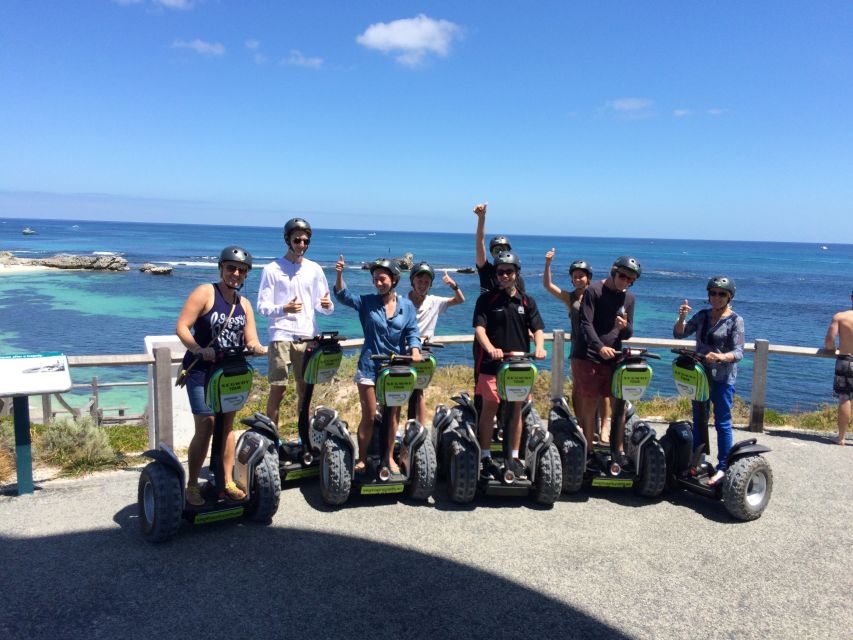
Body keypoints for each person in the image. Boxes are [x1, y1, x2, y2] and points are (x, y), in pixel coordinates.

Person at [176, 246, 266, 506]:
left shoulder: (244, 304)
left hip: (228, 373)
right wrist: (197, 349)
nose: (235, 273)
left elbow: (251, 339)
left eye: (241, 270)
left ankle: (226, 480)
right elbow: (182, 326)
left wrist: (259, 349)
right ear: (221, 268)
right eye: (231, 268)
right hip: (201, 370)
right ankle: (192, 485)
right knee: (206, 424)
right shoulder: (205, 293)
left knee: (227, 426)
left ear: (246, 274)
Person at [334, 255, 422, 474]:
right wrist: (339, 274)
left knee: (393, 413)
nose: (378, 283)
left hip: (394, 368)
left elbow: (412, 332)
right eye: (375, 279)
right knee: (370, 415)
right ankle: (362, 458)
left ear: (393, 279)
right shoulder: (367, 302)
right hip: (369, 366)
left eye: (382, 278)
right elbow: (343, 296)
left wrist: (415, 350)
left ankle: (389, 457)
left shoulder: (407, 306)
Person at [473, 251, 546, 480]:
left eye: (508, 272)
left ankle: (513, 457)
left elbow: (537, 328)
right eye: (500, 272)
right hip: (492, 365)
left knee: (516, 409)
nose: (504, 276)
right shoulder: (486, 299)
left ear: (516, 274)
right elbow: (479, 329)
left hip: (518, 365)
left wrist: (541, 346)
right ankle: (485, 455)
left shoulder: (526, 301)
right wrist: (490, 348)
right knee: (491, 406)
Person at [256, 218, 333, 426]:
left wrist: (326, 305)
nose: (301, 245)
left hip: (307, 336)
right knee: (278, 389)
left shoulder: (315, 269)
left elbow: (323, 306)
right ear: (287, 239)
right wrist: (284, 309)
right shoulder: (271, 269)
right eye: (297, 240)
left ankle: (303, 437)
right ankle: (273, 439)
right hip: (281, 335)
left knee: (304, 389)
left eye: (305, 241)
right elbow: (262, 307)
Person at [674, 276, 745, 484]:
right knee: (699, 419)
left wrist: (721, 356)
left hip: (722, 378)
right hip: (700, 375)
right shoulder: (703, 315)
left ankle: (724, 466)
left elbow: (739, 351)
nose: (716, 297)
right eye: (713, 293)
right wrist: (681, 318)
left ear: (729, 297)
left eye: (721, 294)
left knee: (722, 422)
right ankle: (698, 460)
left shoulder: (735, 320)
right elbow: (680, 334)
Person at [571, 256, 640, 461]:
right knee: (590, 401)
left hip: (613, 357)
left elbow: (628, 333)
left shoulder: (629, 299)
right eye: (622, 276)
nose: (625, 281)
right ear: (614, 271)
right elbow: (586, 323)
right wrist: (599, 347)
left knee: (616, 401)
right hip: (588, 355)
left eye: (630, 280)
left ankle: (616, 451)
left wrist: (623, 327)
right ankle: (588, 450)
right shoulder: (594, 290)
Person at [543, 249, 610, 438]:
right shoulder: (570, 297)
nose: (578, 279)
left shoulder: (599, 295)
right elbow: (548, 285)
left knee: (603, 388)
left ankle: (604, 426)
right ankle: (581, 423)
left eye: (582, 276)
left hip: (598, 346)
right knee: (579, 388)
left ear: (589, 278)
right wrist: (548, 263)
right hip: (578, 347)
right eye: (575, 277)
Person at [407, 261, 465, 424]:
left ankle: (420, 429)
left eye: (426, 282)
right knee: (402, 390)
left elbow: (460, 300)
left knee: (418, 392)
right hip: (404, 351)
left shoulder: (434, 301)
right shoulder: (402, 301)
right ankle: (402, 428)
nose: (422, 285)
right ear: (412, 281)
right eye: (419, 281)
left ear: (431, 284)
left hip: (424, 352)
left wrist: (454, 285)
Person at [473, 202, 526, 294]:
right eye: (496, 250)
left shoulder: (517, 279)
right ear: (491, 253)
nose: (500, 252)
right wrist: (481, 218)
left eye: (503, 249)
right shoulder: (486, 270)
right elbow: (480, 244)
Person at [824, 288, 853, 445]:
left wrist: (831, 349)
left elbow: (829, 340)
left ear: (851, 298)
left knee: (845, 398)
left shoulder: (841, 317)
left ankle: (841, 437)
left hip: (846, 360)